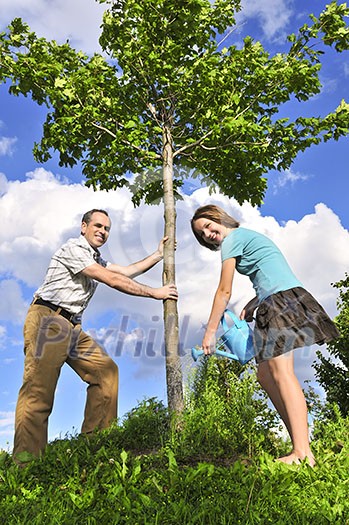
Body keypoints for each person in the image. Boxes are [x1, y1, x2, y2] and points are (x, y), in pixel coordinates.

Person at [13, 208, 178, 461]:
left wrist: (157, 255)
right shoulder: (74, 249)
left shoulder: (96, 258)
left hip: (72, 327)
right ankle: (26, 464)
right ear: (83, 227)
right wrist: (154, 292)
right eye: (98, 226)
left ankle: (95, 445)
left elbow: (124, 272)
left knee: (106, 372)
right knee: (39, 391)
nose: (102, 231)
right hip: (49, 320)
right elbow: (110, 280)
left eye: (107, 229)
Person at [191, 204, 339, 466]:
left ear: (218, 218)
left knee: (282, 373)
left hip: (281, 302)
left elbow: (224, 291)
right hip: (274, 300)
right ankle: (299, 445)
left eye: (207, 226)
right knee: (265, 375)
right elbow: (273, 273)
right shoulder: (246, 237)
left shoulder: (233, 239)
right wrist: (253, 302)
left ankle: (303, 454)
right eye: (201, 235)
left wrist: (210, 332)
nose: (207, 234)